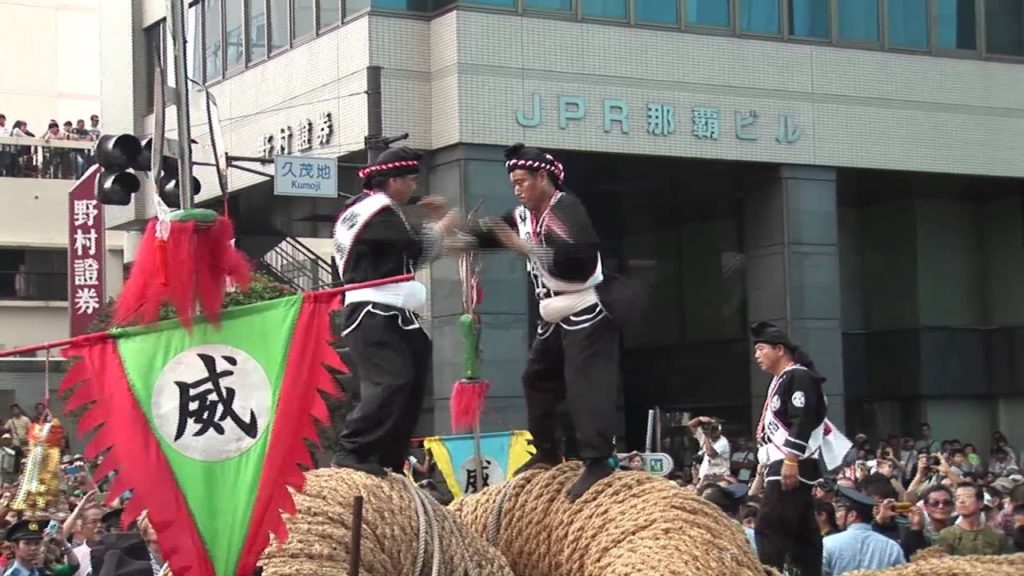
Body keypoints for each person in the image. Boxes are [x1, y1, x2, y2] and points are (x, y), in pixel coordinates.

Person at [458, 143, 622, 501]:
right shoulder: (522, 216)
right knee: (537, 379)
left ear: (543, 177)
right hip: (552, 313)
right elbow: (493, 233)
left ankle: (597, 461)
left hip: (584, 307)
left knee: (585, 386)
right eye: (513, 183)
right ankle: (546, 451)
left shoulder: (567, 209)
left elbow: (578, 260)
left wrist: (528, 250)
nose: (517, 189)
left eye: (522, 182)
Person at [330, 147, 458, 477]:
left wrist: (423, 218)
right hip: (373, 310)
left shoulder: (372, 210)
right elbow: (412, 249)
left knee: (414, 370)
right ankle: (352, 448)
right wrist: (439, 227)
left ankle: (390, 453)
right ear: (392, 180)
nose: (414, 186)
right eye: (410, 180)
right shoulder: (374, 209)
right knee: (392, 379)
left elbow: (398, 246)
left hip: (391, 309)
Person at [750, 321, 829, 576]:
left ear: (780, 349)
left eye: (761, 349)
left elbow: (801, 418)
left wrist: (791, 460)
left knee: (770, 527)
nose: (757, 356)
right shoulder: (784, 378)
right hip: (783, 461)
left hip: (790, 461)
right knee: (802, 533)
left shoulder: (798, 375)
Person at [822, 487, 906, 575]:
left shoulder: (828, 544)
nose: (836, 516)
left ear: (852, 515)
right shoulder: (891, 547)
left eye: (839, 510)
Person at [688, 416, 730, 484]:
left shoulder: (723, 441)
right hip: (704, 477)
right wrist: (699, 419)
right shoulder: (704, 436)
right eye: (711, 427)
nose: (714, 430)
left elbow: (710, 453)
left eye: (716, 428)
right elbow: (691, 425)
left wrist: (707, 436)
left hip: (718, 479)